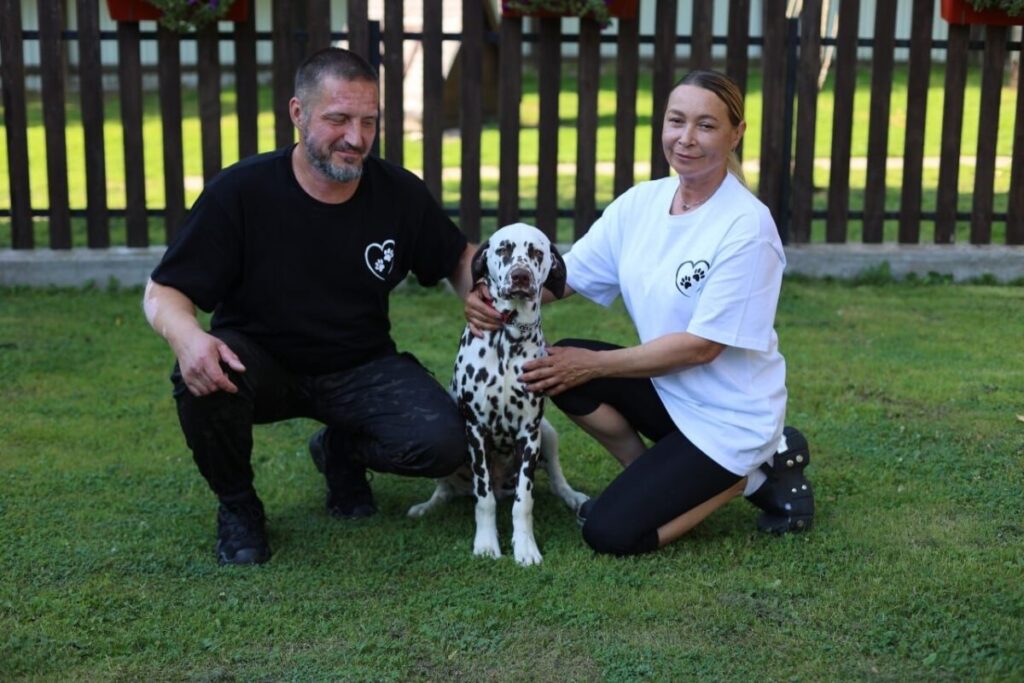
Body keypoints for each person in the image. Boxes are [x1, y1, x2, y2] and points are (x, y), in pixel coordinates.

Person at [143, 47, 475, 566]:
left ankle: (340, 451)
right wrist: (187, 338)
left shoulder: (398, 193)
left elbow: (457, 258)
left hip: (359, 363)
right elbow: (163, 291)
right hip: (260, 364)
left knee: (443, 443)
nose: (356, 138)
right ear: (298, 113)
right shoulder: (241, 191)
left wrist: (485, 290)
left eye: (369, 121)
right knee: (200, 377)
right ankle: (239, 507)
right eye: (338, 119)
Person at [467, 69, 814, 556]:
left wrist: (594, 365)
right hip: (670, 394)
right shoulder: (640, 204)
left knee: (609, 532)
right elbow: (563, 279)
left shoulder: (747, 227)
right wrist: (491, 295)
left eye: (706, 125)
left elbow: (702, 347)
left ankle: (747, 477)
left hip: (728, 419)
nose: (686, 138)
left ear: (736, 134)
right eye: (676, 121)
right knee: (557, 366)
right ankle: (649, 477)